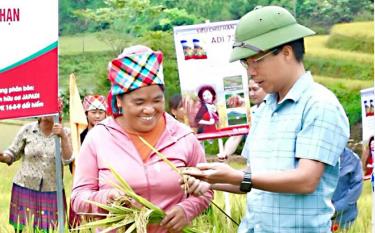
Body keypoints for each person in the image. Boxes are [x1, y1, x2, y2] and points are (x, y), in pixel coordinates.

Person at [183, 6, 349, 233]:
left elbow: (306, 180)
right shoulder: (264, 110)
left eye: (256, 60)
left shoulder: (319, 104)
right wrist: (208, 179)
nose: (251, 71)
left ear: (286, 52)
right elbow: (252, 182)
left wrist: (238, 175)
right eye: (246, 63)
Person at [70, 45, 213, 233]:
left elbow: (207, 189)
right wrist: (108, 199)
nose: (149, 109)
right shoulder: (99, 137)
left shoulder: (182, 136)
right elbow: (78, 198)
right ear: (119, 101)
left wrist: (187, 209)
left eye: (157, 100)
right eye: (139, 102)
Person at [0, 99, 73, 232]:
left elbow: (67, 160)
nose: (46, 112)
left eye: (51, 108)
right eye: (44, 107)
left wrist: (62, 136)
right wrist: (2, 156)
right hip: (24, 187)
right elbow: (12, 153)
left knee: (49, 229)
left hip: (51, 191)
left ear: (58, 113)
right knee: (23, 228)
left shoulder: (65, 133)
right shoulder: (27, 129)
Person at [68, 94, 108, 229]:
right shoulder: (78, 136)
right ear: (86, 114)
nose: (97, 116)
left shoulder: (110, 134)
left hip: (105, 185)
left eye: (101, 112)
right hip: (85, 185)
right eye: (93, 112)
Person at [217, 79, 267, 160]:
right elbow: (236, 137)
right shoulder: (248, 112)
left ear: (266, 87)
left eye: (255, 89)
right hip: (252, 163)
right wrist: (225, 153)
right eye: (249, 90)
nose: (251, 93)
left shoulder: (274, 110)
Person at [331, 147, 363, 231]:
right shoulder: (316, 155)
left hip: (344, 215)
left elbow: (356, 187)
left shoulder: (353, 159)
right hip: (318, 213)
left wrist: (336, 208)